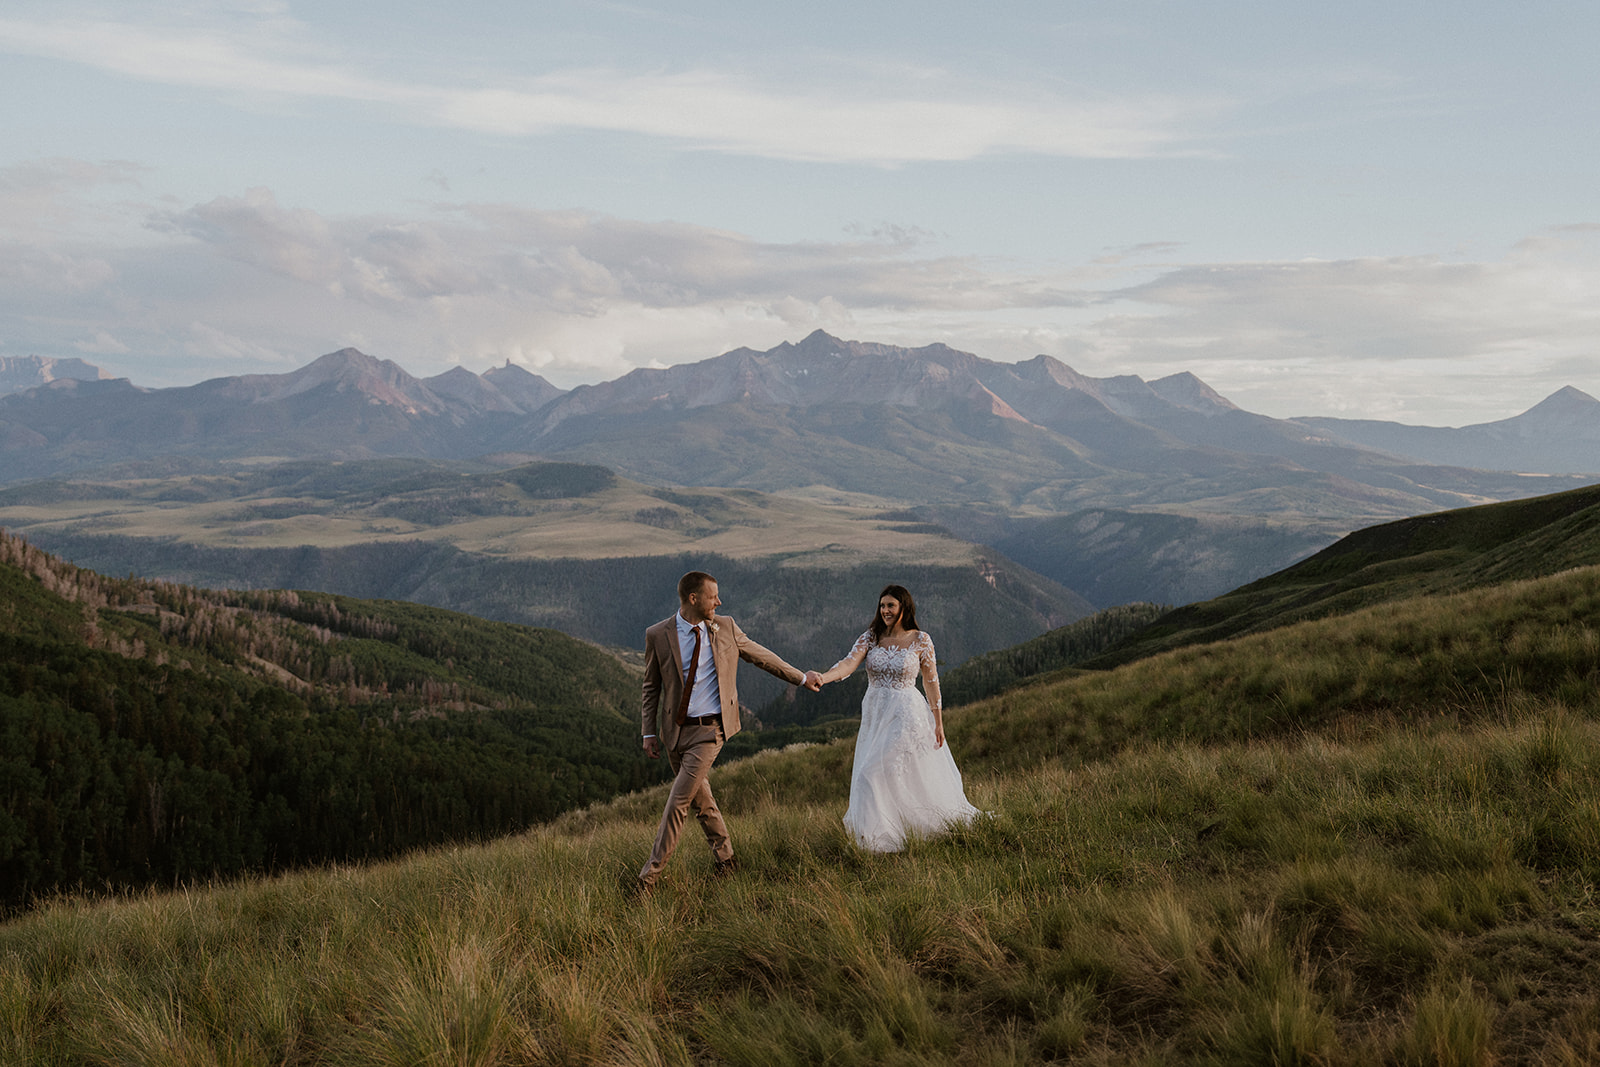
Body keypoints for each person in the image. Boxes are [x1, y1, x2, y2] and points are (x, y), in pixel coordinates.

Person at [637, 570, 822, 892]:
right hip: (674, 733)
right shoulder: (658, 634)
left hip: (711, 730)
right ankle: (727, 861)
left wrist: (801, 679)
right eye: (713, 597)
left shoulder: (726, 627)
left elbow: (762, 657)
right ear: (693, 599)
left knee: (678, 802)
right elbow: (651, 687)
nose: (718, 602)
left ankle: (648, 879)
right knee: (701, 801)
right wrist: (648, 732)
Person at [814, 584, 980, 852]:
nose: (885, 611)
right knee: (889, 775)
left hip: (907, 713)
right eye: (882, 606)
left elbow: (931, 681)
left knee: (871, 773)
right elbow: (848, 663)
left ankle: (878, 842)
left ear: (904, 607)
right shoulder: (871, 637)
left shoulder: (921, 640)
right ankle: (894, 829)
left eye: (890, 605)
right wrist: (823, 677)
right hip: (875, 714)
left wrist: (938, 721)